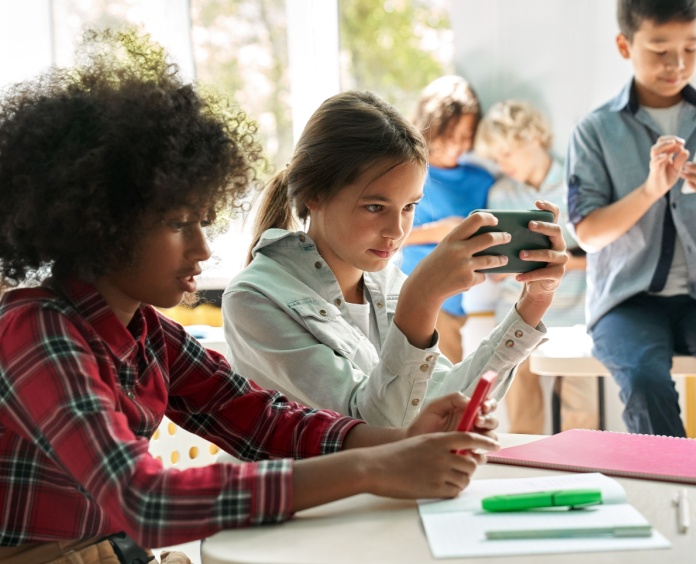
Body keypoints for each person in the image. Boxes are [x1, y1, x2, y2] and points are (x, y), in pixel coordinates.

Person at [0, 28, 503, 563]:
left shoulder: (149, 333)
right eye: (177, 224)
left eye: (202, 221)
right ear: (100, 225)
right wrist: (374, 465)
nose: (202, 248)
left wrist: (399, 441)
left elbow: (265, 420)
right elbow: (146, 500)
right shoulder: (36, 330)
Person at [222, 90, 569, 428]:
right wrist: (421, 299)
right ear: (315, 194)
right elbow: (377, 432)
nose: (396, 231)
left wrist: (532, 304)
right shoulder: (254, 300)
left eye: (409, 207)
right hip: (308, 487)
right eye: (375, 207)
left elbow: (444, 403)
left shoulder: (385, 282)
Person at [566, 0, 696, 442]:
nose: (677, 64)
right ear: (625, 46)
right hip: (627, 299)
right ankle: (672, 487)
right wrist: (650, 190)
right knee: (646, 382)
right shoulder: (595, 130)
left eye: (691, 48)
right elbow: (587, 235)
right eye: (660, 49)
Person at [475, 100, 598, 434]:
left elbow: (602, 253)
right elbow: (496, 263)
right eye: (496, 157)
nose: (502, 164)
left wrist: (559, 262)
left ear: (533, 140)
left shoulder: (579, 184)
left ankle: (580, 475)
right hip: (515, 314)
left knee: (581, 411)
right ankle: (524, 474)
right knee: (520, 408)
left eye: (507, 154)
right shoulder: (501, 193)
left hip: (574, 317)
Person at [398, 75, 495, 363]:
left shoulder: (481, 181)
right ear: (430, 126)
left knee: (444, 390)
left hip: (452, 303)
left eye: (466, 136)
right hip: (405, 294)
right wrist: (439, 232)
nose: (458, 145)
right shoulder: (408, 171)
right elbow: (385, 236)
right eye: (450, 135)